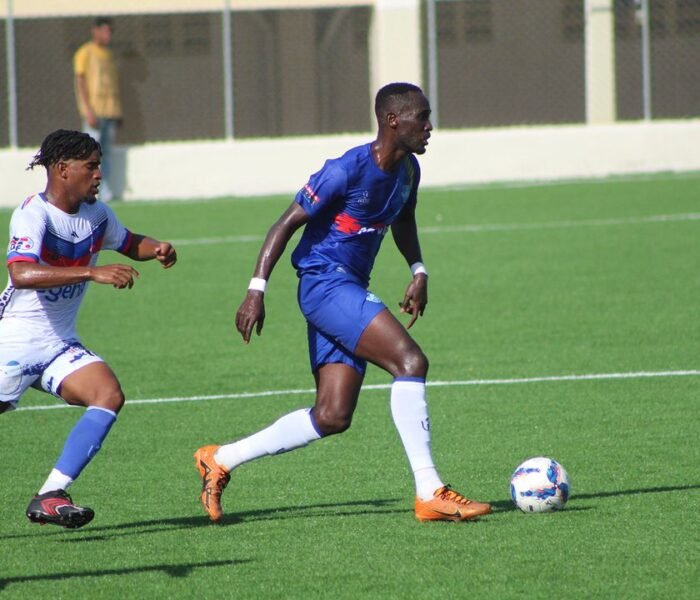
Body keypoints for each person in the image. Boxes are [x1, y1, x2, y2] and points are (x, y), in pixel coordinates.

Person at [194, 83, 491, 523]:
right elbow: (284, 224)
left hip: (347, 286)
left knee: (332, 415)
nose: (430, 127)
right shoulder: (343, 170)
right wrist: (256, 290)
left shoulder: (409, 170)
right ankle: (430, 491)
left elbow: (404, 220)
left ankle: (219, 459)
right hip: (324, 284)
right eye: (423, 117)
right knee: (410, 361)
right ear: (393, 121)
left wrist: (418, 270)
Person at [0, 129, 177, 529]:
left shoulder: (97, 215)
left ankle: (50, 495)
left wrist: (157, 249)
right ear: (63, 169)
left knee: (107, 394)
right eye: (92, 166)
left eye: (100, 166)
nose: (99, 174)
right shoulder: (33, 214)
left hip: (59, 344)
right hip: (14, 340)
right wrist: (91, 272)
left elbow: (128, 242)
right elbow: (21, 272)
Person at [73, 16, 121, 202]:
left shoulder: (108, 54)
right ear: (95, 31)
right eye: (105, 31)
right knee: (89, 155)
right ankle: (85, 189)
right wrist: (88, 110)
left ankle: (104, 190)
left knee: (106, 153)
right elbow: (80, 82)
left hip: (109, 112)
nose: (109, 35)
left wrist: (117, 111)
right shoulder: (85, 53)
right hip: (94, 113)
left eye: (111, 31)